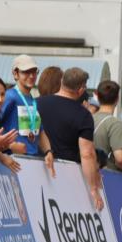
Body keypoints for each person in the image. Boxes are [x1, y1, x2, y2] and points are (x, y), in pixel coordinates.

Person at [36, 67, 104, 210]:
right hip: (69, 177)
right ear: (81, 89)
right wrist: (93, 189)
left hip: (37, 168)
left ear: (62, 82)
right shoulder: (83, 115)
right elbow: (87, 154)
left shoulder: (36, 103)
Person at [0, 54, 44, 156]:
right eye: (26, 72)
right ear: (15, 74)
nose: (31, 76)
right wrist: (9, 145)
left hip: (32, 158)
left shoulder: (33, 101)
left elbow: (40, 131)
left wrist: (48, 151)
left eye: (34, 71)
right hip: (12, 158)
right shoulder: (9, 96)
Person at [92, 80, 122, 172]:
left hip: (87, 171)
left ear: (98, 97)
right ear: (117, 99)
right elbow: (120, 159)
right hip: (107, 175)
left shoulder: (88, 119)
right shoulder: (115, 123)